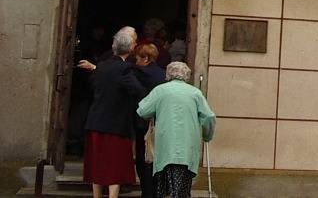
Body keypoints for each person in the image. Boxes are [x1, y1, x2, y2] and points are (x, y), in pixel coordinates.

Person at [80, 29, 144, 198]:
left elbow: (94, 85)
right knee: (114, 167)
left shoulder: (101, 66)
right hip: (115, 125)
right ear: (130, 49)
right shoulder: (125, 69)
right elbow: (138, 91)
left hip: (95, 121)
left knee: (97, 164)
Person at [137, 62, 216, 198]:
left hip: (164, 148)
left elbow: (143, 110)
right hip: (187, 149)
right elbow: (209, 116)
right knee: (182, 191)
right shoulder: (195, 93)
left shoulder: (160, 90)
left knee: (164, 189)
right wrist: (207, 135)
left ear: (168, 74)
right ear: (187, 76)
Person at [132, 44, 166, 198]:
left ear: (145, 59)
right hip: (160, 122)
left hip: (143, 121)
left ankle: (147, 192)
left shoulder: (137, 72)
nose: (136, 61)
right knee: (156, 158)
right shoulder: (163, 74)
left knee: (143, 158)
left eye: (137, 58)